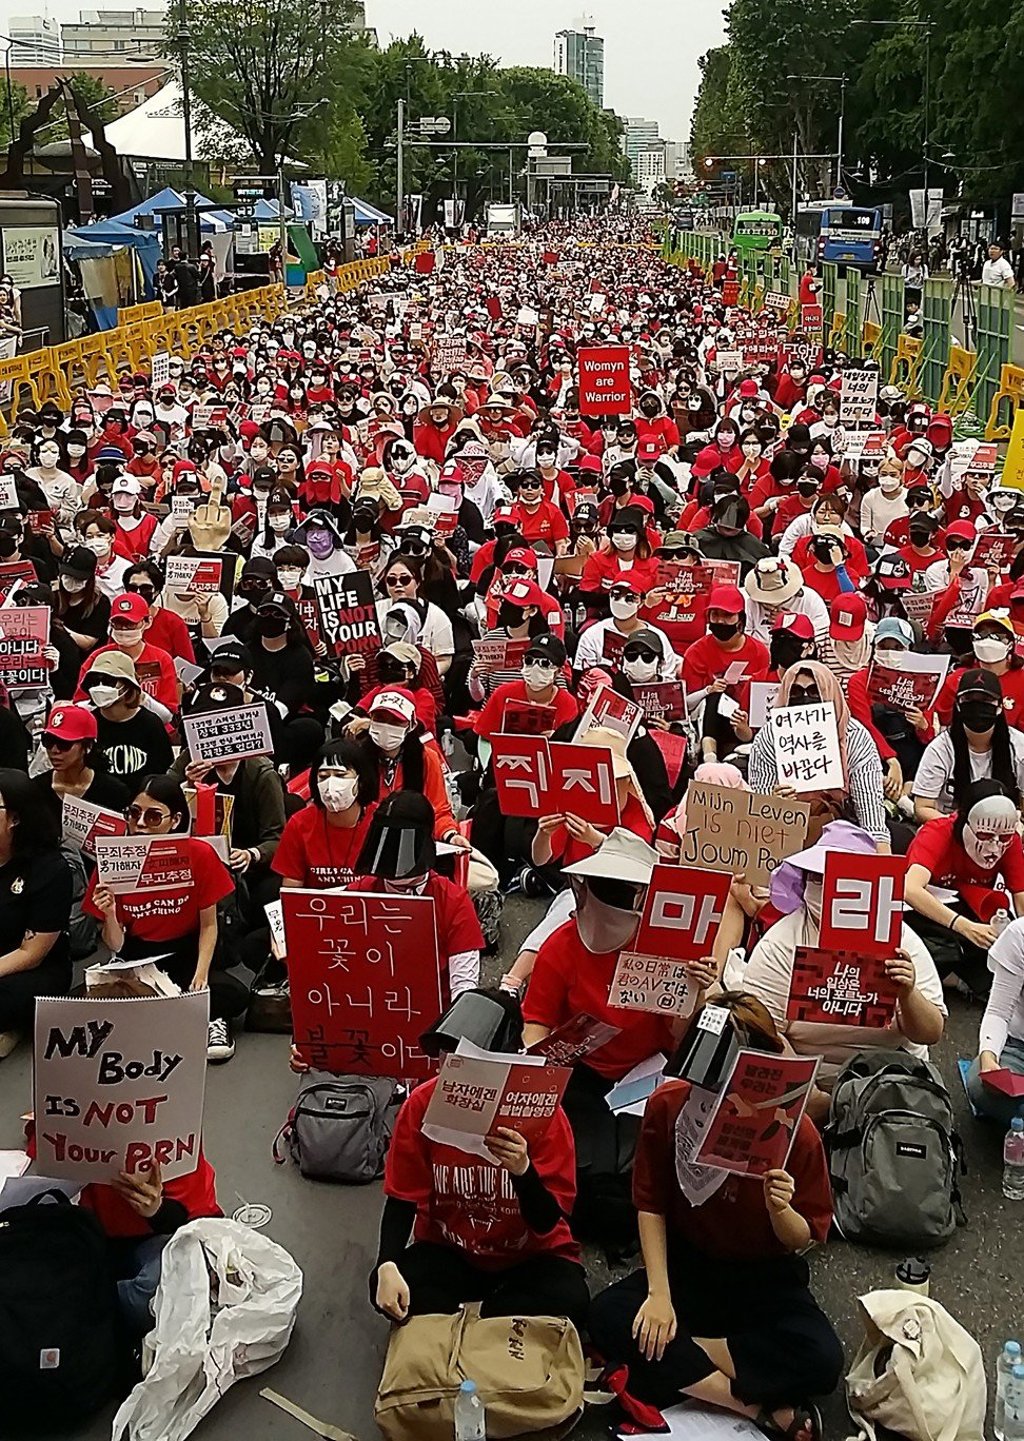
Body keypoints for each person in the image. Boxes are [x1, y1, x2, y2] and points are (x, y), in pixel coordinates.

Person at [588, 994, 843, 1441]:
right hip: (689, 1265)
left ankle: (674, 1359)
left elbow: (803, 1235)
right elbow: (651, 1201)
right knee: (606, 1314)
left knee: (822, 1359)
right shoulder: (669, 1106)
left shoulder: (795, 1132)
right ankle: (755, 1406)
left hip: (765, 1275)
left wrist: (780, 1210)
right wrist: (659, 1294)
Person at [372, 989, 589, 1331]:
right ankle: (490, 1317)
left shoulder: (548, 1117)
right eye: (445, 1057)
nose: (448, 1068)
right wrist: (386, 1264)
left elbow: (547, 1221)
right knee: (388, 1287)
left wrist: (523, 1170)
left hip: (530, 1256)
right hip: (450, 1250)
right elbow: (402, 1196)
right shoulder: (421, 1104)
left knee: (571, 1299)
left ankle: (472, 1316)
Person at [741, 821, 945, 1118]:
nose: (828, 887)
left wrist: (908, 994)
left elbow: (930, 1033)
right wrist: (813, 1097)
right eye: (818, 877)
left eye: (839, 877)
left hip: (892, 1079)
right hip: (811, 1083)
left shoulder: (900, 941)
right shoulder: (781, 944)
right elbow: (763, 1032)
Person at [83, 774, 244, 1062]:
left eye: (154, 816)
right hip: (137, 955)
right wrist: (109, 913)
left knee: (232, 995)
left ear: (176, 819)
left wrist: (201, 976)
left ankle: (205, 1019)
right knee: (79, 1001)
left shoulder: (199, 854)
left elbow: (209, 925)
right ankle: (176, 1015)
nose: (140, 823)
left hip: (187, 951)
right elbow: (116, 945)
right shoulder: (114, 859)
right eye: (133, 814)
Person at [749, 661, 890, 849]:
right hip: (784, 833)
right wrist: (774, 805)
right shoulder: (768, 738)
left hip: (846, 834)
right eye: (797, 693)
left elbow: (872, 821)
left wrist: (883, 872)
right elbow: (758, 817)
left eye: (815, 692)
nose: (806, 699)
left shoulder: (856, 738)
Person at [905, 779, 1024, 998]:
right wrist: (963, 926)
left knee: (1001, 936)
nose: (994, 846)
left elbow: (1020, 896)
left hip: (974, 905)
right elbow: (910, 889)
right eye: (985, 836)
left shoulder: (1012, 841)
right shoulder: (938, 832)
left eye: (1003, 838)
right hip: (927, 909)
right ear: (964, 824)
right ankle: (955, 979)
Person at [0, 768, 74, 1057]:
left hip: (31, 969)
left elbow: (32, 954)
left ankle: (14, 1025)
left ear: (15, 819)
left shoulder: (50, 870)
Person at [913, 668, 1024, 822]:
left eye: (985, 700)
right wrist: (964, 826)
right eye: (969, 699)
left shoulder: (1019, 746)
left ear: (1000, 706)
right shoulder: (940, 748)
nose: (977, 706)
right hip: (952, 829)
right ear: (958, 705)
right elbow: (922, 807)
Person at [273, 738, 378, 890]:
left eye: (340, 775)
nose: (331, 784)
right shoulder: (299, 824)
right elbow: (292, 891)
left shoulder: (381, 822)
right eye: (323, 776)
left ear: (360, 780)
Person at [81, 651, 175, 795]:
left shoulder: (150, 724)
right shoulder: (88, 723)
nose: (100, 687)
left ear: (127, 685)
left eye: (108, 681)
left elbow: (162, 774)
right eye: (94, 682)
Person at [967, 915, 1024, 1123]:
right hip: (1019, 1047)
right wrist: (989, 1058)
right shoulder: (1020, 934)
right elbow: (999, 1011)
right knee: (979, 1085)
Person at [34, 701, 130, 823]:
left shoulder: (114, 793)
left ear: (88, 746)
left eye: (64, 744)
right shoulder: (36, 790)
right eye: (48, 741)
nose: (54, 750)